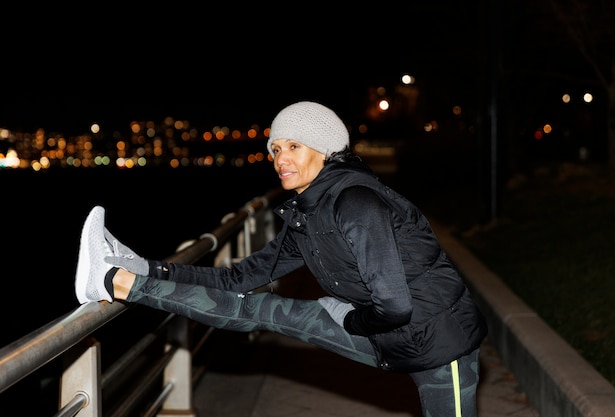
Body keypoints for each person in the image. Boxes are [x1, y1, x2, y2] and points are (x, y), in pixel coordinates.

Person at [75, 100, 488, 416]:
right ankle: (126, 276)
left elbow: (396, 306)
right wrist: (153, 265)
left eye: (293, 146)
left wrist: (349, 318)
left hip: (439, 344)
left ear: (325, 151)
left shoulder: (355, 202)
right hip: (385, 334)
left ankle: (119, 279)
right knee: (263, 309)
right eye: (274, 149)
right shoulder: (306, 216)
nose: (280, 159)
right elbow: (236, 279)